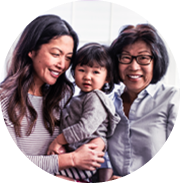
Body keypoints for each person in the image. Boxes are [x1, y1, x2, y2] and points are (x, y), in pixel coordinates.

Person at [0, 14, 105, 180]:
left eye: (68, 58)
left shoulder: (64, 95)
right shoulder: (4, 101)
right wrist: (71, 159)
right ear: (32, 50)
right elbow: (11, 166)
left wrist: (99, 143)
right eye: (56, 54)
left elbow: (85, 131)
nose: (62, 65)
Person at [106, 24, 180, 181]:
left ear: (156, 61)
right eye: (126, 57)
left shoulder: (171, 100)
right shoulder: (107, 103)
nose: (134, 66)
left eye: (144, 58)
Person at [47, 42, 120, 181]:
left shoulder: (96, 98)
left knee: (52, 175)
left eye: (96, 72)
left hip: (89, 157)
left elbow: (85, 128)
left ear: (108, 78)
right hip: (77, 153)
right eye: (82, 70)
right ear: (74, 71)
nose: (87, 76)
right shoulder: (78, 98)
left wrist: (58, 141)